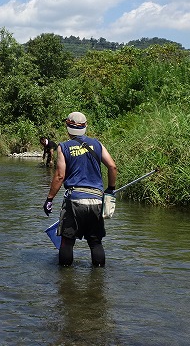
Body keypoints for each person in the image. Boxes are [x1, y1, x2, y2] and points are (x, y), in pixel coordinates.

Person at [43, 111, 117, 267]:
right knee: (95, 242)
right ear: (85, 127)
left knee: (67, 242)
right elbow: (112, 166)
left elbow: (59, 176)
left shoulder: (63, 147)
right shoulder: (97, 144)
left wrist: (49, 199)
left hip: (74, 201)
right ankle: (98, 281)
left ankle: (65, 280)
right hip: (97, 200)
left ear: (68, 127)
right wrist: (110, 189)